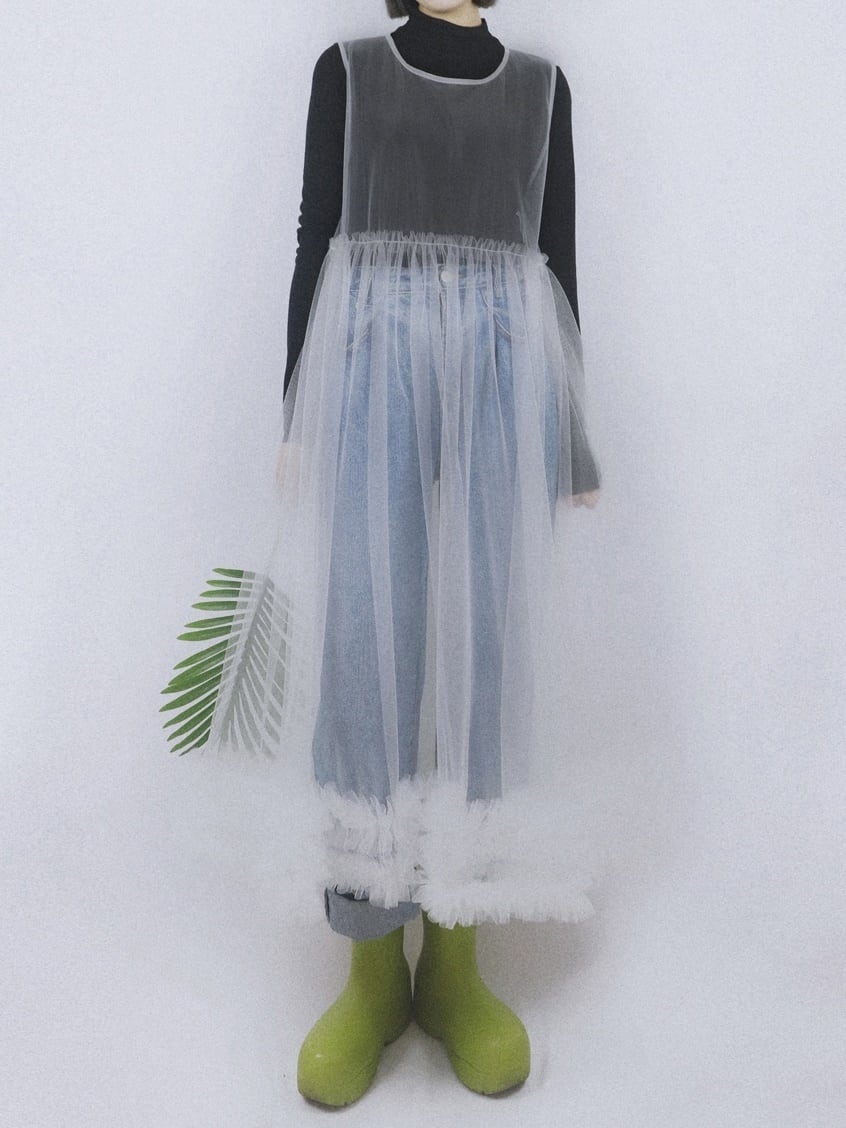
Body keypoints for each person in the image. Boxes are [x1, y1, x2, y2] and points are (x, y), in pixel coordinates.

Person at [187, 0, 603, 1106]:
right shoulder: (349, 71)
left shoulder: (543, 90)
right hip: (374, 360)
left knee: (489, 647)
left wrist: (573, 438)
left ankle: (457, 958)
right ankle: (372, 966)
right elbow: (316, 236)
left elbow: (558, 261)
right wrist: (296, 411)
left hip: (507, 367)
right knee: (371, 634)